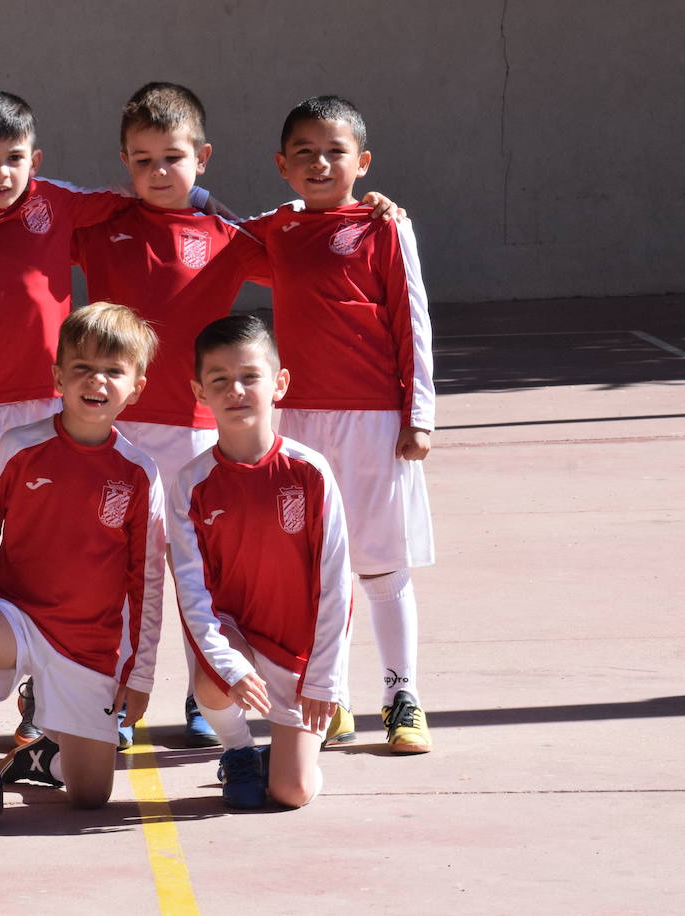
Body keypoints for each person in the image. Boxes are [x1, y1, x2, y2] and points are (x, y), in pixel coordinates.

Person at [71, 81, 397, 748]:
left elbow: (311, 253)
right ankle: (115, 696)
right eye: (142, 159)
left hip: (197, 433)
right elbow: (23, 217)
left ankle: (203, 694)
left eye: (172, 158)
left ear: (203, 158)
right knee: (121, 568)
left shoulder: (227, 235)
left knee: (202, 570)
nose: (158, 173)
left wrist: (367, 215)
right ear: (124, 160)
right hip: (121, 433)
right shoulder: (102, 230)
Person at [0, 92, 206, 756]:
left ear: (35, 159)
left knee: (45, 551)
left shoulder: (60, 201)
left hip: (46, 405)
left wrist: (211, 205)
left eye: (13, 160)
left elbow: (149, 198)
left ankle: (42, 692)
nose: (1, 174)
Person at [243, 95, 436, 753]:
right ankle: (333, 695)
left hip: (374, 420)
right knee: (310, 566)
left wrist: (420, 415)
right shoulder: (277, 228)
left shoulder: (385, 227)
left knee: (381, 566)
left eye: (335, 151)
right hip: (296, 421)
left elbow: (412, 323)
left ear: (363, 161)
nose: (320, 163)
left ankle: (401, 694)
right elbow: (208, 228)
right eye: (304, 153)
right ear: (282, 165)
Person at [0, 303, 164, 836]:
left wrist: (141, 673)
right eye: (82, 367)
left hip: (88, 643)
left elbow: (147, 582)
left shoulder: (139, 473)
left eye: (114, 370)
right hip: (16, 618)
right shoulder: (22, 446)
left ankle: (43, 757)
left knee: (90, 797)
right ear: (58, 376)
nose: (96, 380)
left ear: (137, 387)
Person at [168, 314, 352, 808]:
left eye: (250, 376)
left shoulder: (310, 472)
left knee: (293, 793)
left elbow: (336, 584)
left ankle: (294, 761)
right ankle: (240, 751)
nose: (236, 390)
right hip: (238, 639)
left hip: (301, 653)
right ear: (199, 391)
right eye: (220, 380)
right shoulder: (190, 483)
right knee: (212, 677)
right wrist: (226, 664)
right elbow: (192, 594)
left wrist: (325, 677)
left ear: (279, 383)